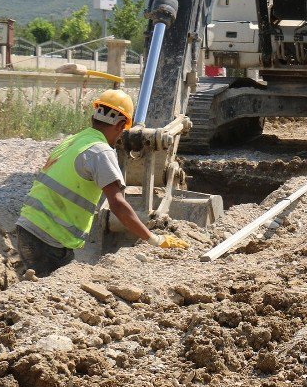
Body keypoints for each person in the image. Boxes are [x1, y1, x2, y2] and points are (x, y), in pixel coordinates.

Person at [14, 89, 188, 276]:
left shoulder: (75, 140)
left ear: (94, 118)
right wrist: (154, 239)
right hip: (49, 238)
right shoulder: (100, 152)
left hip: (28, 227)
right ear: (121, 124)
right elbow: (118, 204)